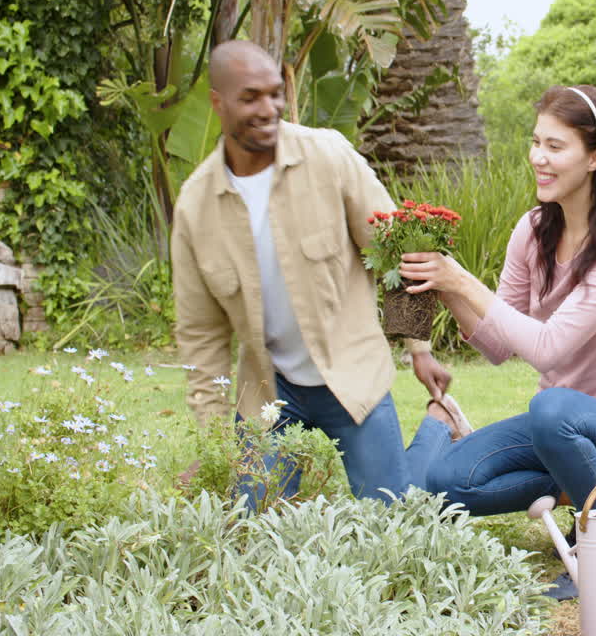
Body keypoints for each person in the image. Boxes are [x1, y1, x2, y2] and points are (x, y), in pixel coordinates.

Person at [399, 85, 596, 596]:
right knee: (442, 485)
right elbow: (499, 347)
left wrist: (462, 281)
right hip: (556, 434)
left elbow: (547, 349)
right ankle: (451, 425)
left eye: (555, 147)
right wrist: (442, 282)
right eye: (536, 142)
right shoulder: (531, 231)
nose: (538, 158)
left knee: (551, 408)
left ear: (595, 157)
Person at [171, 40, 451, 508]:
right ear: (217, 103)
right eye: (250, 97)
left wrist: (418, 348)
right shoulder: (196, 207)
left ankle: (437, 428)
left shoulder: (328, 156)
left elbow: (396, 250)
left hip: (351, 373)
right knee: (254, 529)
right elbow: (201, 335)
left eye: (275, 93)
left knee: (391, 518)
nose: (268, 108)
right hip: (268, 391)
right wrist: (214, 437)